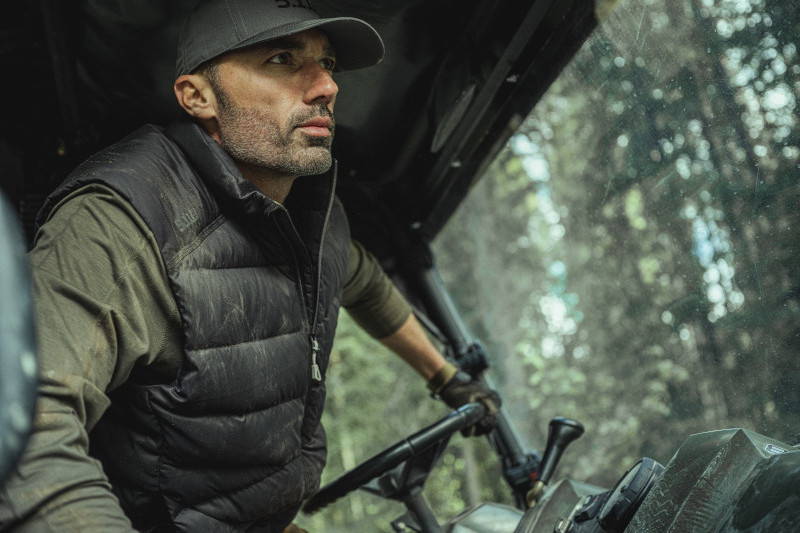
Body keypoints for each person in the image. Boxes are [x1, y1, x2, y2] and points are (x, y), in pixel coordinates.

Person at [0, 1, 499, 531]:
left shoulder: (315, 211)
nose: (327, 86)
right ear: (198, 96)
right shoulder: (120, 221)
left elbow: (366, 282)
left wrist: (446, 377)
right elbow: (30, 431)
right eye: (282, 59)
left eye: (327, 63)